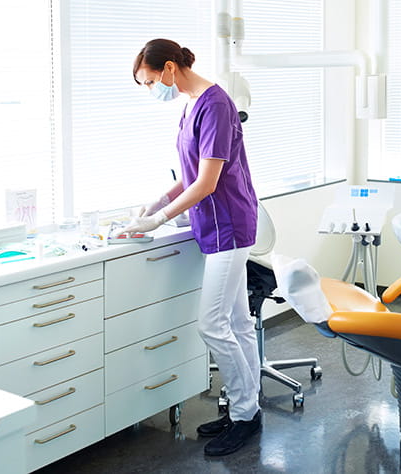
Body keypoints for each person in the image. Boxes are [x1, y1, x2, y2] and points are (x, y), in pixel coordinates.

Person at [124, 38, 261, 457]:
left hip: (229, 226)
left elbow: (208, 182)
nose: (152, 90)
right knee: (237, 323)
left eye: (150, 82)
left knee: (212, 325)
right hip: (215, 226)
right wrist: (159, 201)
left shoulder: (215, 104)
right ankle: (246, 410)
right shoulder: (190, 104)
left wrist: (160, 220)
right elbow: (189, 173)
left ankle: (244, 414)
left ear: (168, 68)